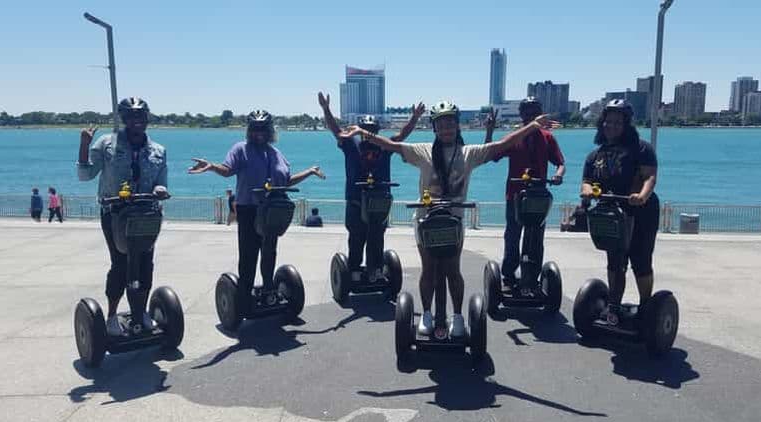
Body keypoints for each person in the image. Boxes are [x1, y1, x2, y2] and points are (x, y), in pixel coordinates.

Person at [339, 100, 558, 336]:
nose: (446, 129)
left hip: (453, 223)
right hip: (425, 221)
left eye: (450, 124)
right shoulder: (422, 151)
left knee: (453, 270)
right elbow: (392, 145)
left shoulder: (468, 154)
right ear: (435, 128)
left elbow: (502, 144)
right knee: (429, 269)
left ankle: (457, 316)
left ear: (457, 127)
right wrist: (363, 133)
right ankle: (427, 313)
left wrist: (533, 126)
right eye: (441, 125)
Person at [188, 109, 325, 301]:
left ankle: (269, 290)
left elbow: (285, 182)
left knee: (269, 252)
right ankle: (245, 294)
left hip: (272, 210)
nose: (259, 133)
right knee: (248, 255)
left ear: (270, 131)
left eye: (263, 128)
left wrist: (309, 172)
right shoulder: (240, 149)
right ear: (249, 130)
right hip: (249, 209)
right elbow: (228, 170)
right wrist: (211, 166)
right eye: (255, 128)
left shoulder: (276, 154)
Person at [77, 97, 169, 336]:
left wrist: (160, 189)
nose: (136, 121)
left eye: (141, 117)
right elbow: (85, 175)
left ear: (146, 118)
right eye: (131, 117)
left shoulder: (158, 150)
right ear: (124, 119)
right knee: (120, 264)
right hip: (115, 214)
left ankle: (141, 312)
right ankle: (111, 315)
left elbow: (162, 182)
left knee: (145, 264)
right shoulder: (106, 144)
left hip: (147, 214)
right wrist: (84, 145)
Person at [318, 92, 425, 283]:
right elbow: (336, 131)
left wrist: (414, 118)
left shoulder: (384, 146)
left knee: (377, 237)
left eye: (372, 130)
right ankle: (354, 270)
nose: (369, 134)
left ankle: (375, 269)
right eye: (366, 129)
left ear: (376, 130)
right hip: (355, 201)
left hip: (379, 202)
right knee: (357, 237)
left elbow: (402, 135)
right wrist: (326, 110)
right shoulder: (351, 144)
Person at [580, 99, 659, 308]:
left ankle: (646, 307)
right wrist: (587, 191)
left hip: (641, 212)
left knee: (640, 260)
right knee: (615, 262)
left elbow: (649, 176)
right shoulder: (596, 155)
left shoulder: (641, 149)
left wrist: (642, 196)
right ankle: (613, 306)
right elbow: (587, 181)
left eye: (617, 122)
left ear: (626, 125)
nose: (611, 126)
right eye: (608, 121)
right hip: (613, 214)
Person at [485, 97, 566, 290]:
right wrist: (489, 130)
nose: (530, 117)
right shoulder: (515, 138)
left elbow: (560, 163)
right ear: (522, 115)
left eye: (534, 113)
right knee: (512, 236)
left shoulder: (547, 137)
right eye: (527, 113)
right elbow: (491, 153)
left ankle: (532, 275)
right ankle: (508, 274)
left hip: (538, 197)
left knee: (536, 237)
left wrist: (558, 175)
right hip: (515, 196)